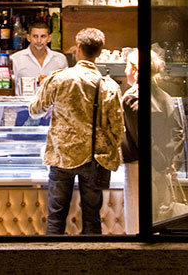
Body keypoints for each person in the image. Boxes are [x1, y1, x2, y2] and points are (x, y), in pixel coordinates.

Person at [29, 28, 124, 235]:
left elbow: (35, 111)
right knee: (92, 218)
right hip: (94, 159)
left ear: (78, 49)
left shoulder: (58, 78)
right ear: (99, 53)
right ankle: (91, 262)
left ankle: (53, 260)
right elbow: (117, 128)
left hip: (61, 156)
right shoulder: (108, 86)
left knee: (55, 218)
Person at [120, 49, 186, 234]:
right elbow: (178, 132)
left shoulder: (132, 97)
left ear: (134, 70)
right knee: (157, 219)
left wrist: (158, 161)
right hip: (163, 167)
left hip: (139, 166)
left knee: (137, 222)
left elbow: (142, 137)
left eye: (127, 66)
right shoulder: (164, 96)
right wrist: (172, 162)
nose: (125, 71)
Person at [11, 21, 68, 96]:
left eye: (43, 36)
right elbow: (13, 91)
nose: (39, 40)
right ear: (28, 38)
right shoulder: (15, 59)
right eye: (35, 36)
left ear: (49, 38)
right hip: (24, 106)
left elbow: (66, 87)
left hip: (53, 106)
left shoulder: (60, 59)